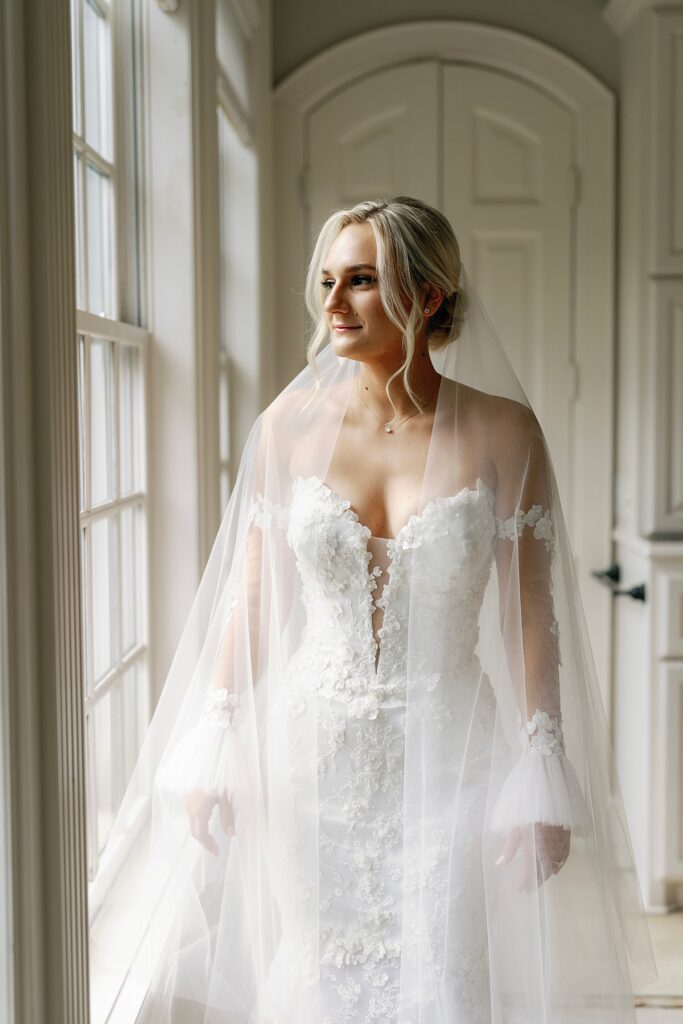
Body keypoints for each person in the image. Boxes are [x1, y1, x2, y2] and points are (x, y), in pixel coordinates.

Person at [94, 197, 656, 1023]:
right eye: (327, 280)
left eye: (360, 281)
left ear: (426, 296)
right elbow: (253, 598)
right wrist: (215, 734)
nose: (332, 303)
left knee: (443, 967)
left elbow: (527, 613)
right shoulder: (287, 428)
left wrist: (541, 765)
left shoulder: (505, 432)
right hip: (309, 758)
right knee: (315, 967)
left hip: (451, 755)